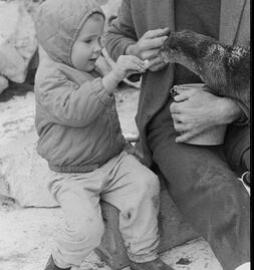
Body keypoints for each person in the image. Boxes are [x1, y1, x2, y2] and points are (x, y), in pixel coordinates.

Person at [104, 0, 250, 270]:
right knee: (215, 189)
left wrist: (231, 108)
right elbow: (115, 36)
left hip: (244, 111)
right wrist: (133, 51)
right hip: (173, 118)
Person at [33, 0, 175, 269]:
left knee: (145, 184)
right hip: (73, 172)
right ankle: (60, 262)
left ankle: (143, 256)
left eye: (99, 39)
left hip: (111, 158)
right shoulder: (49, 78)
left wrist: (127, 67)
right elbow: (77, 110)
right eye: (88, 40)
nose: (98, 48)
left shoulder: (89, 63)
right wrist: (113, 77)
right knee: (87, 229)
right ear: (61, 42)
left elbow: (105, 104)